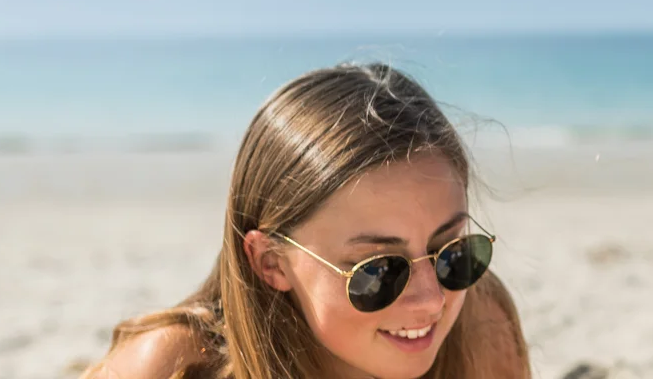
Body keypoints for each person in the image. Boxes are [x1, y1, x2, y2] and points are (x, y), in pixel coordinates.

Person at [83, 63, 530, 379]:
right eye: (378, 270)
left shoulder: (480, 325)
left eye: (452, 253)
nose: (432, 299)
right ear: (270, 262)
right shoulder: (171, 367)